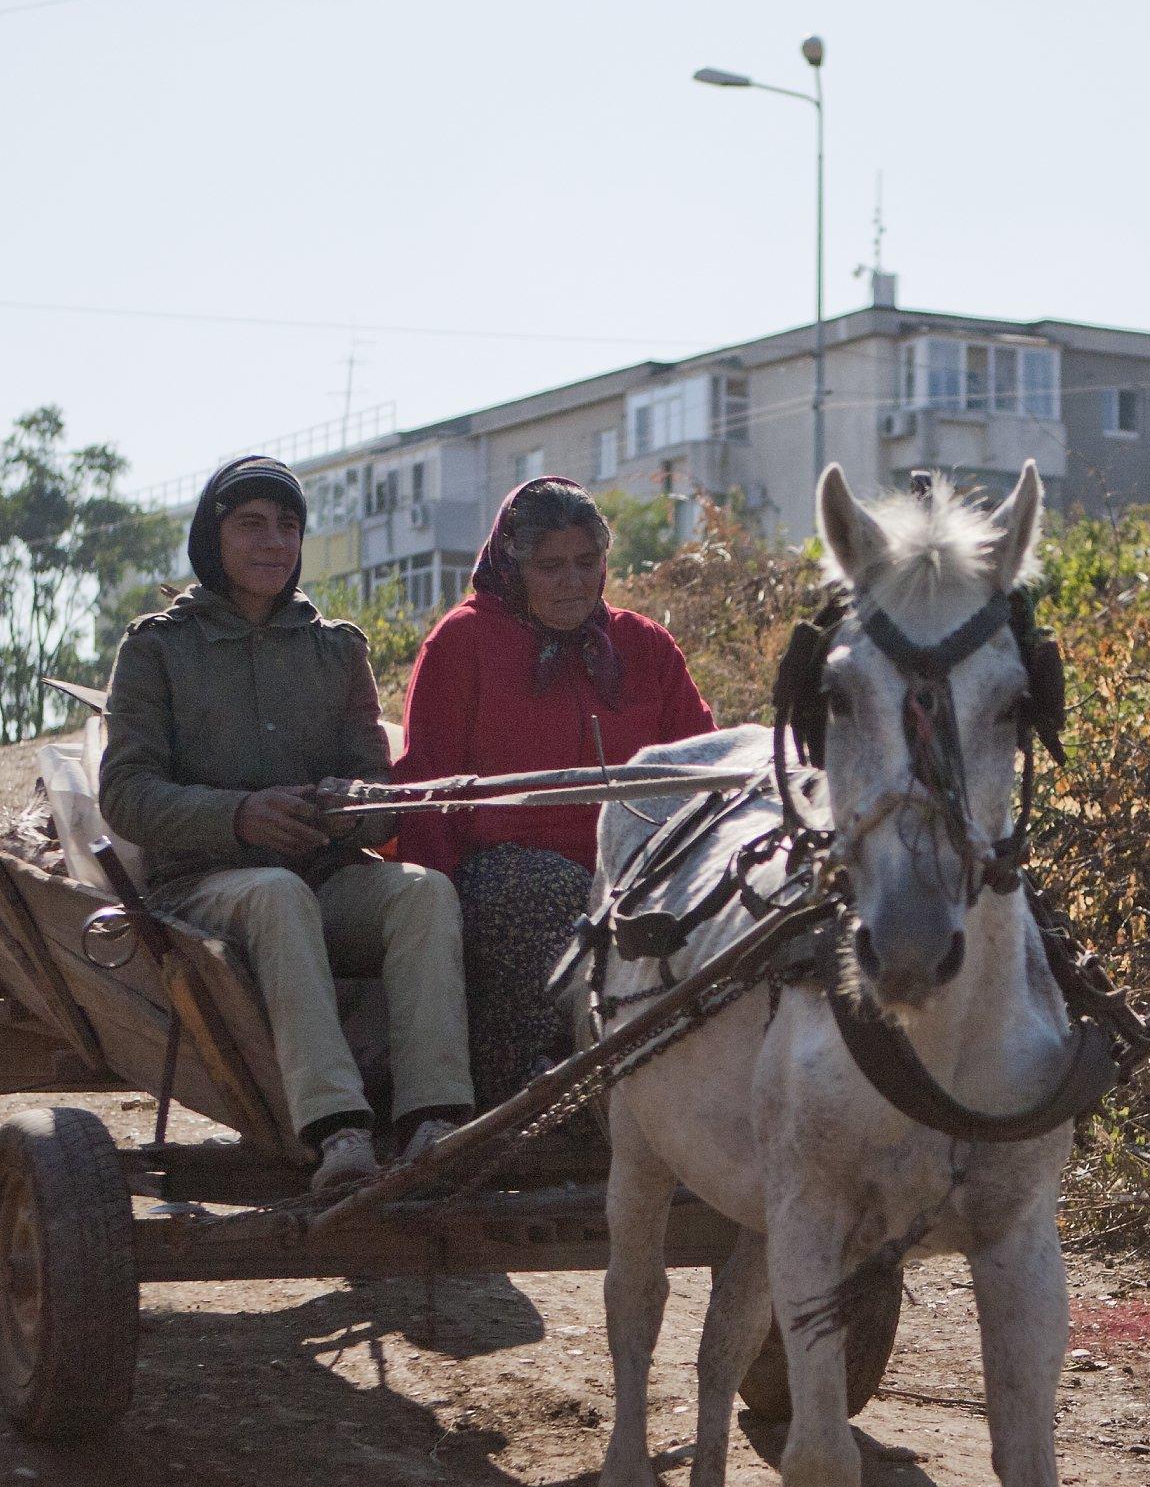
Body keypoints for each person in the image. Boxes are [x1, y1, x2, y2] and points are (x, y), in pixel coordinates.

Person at [99, 456, 472, 1191]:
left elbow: (383, 803)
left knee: (423, 892)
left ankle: (435, 1123)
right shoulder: (157, 649)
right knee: (276, 892)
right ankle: (338, 1130)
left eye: (289, 526)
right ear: (213, 537)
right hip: (203, 892)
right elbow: (126, 795)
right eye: (252, 525)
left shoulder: (337, 650)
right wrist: (239, 815)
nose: (274, 541)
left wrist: (348, 805)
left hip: (324, 881)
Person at [392, 476, 714, 1105]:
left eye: (586, 562)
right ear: (513, 565)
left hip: (634, 867)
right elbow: (424, 786)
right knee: (557, 897)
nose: (573, 582)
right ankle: (541, 1089)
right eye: (551, 566)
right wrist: (437, 909)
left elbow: (700, 763)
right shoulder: (462, 643)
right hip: (501, 875)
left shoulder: (642, 646)